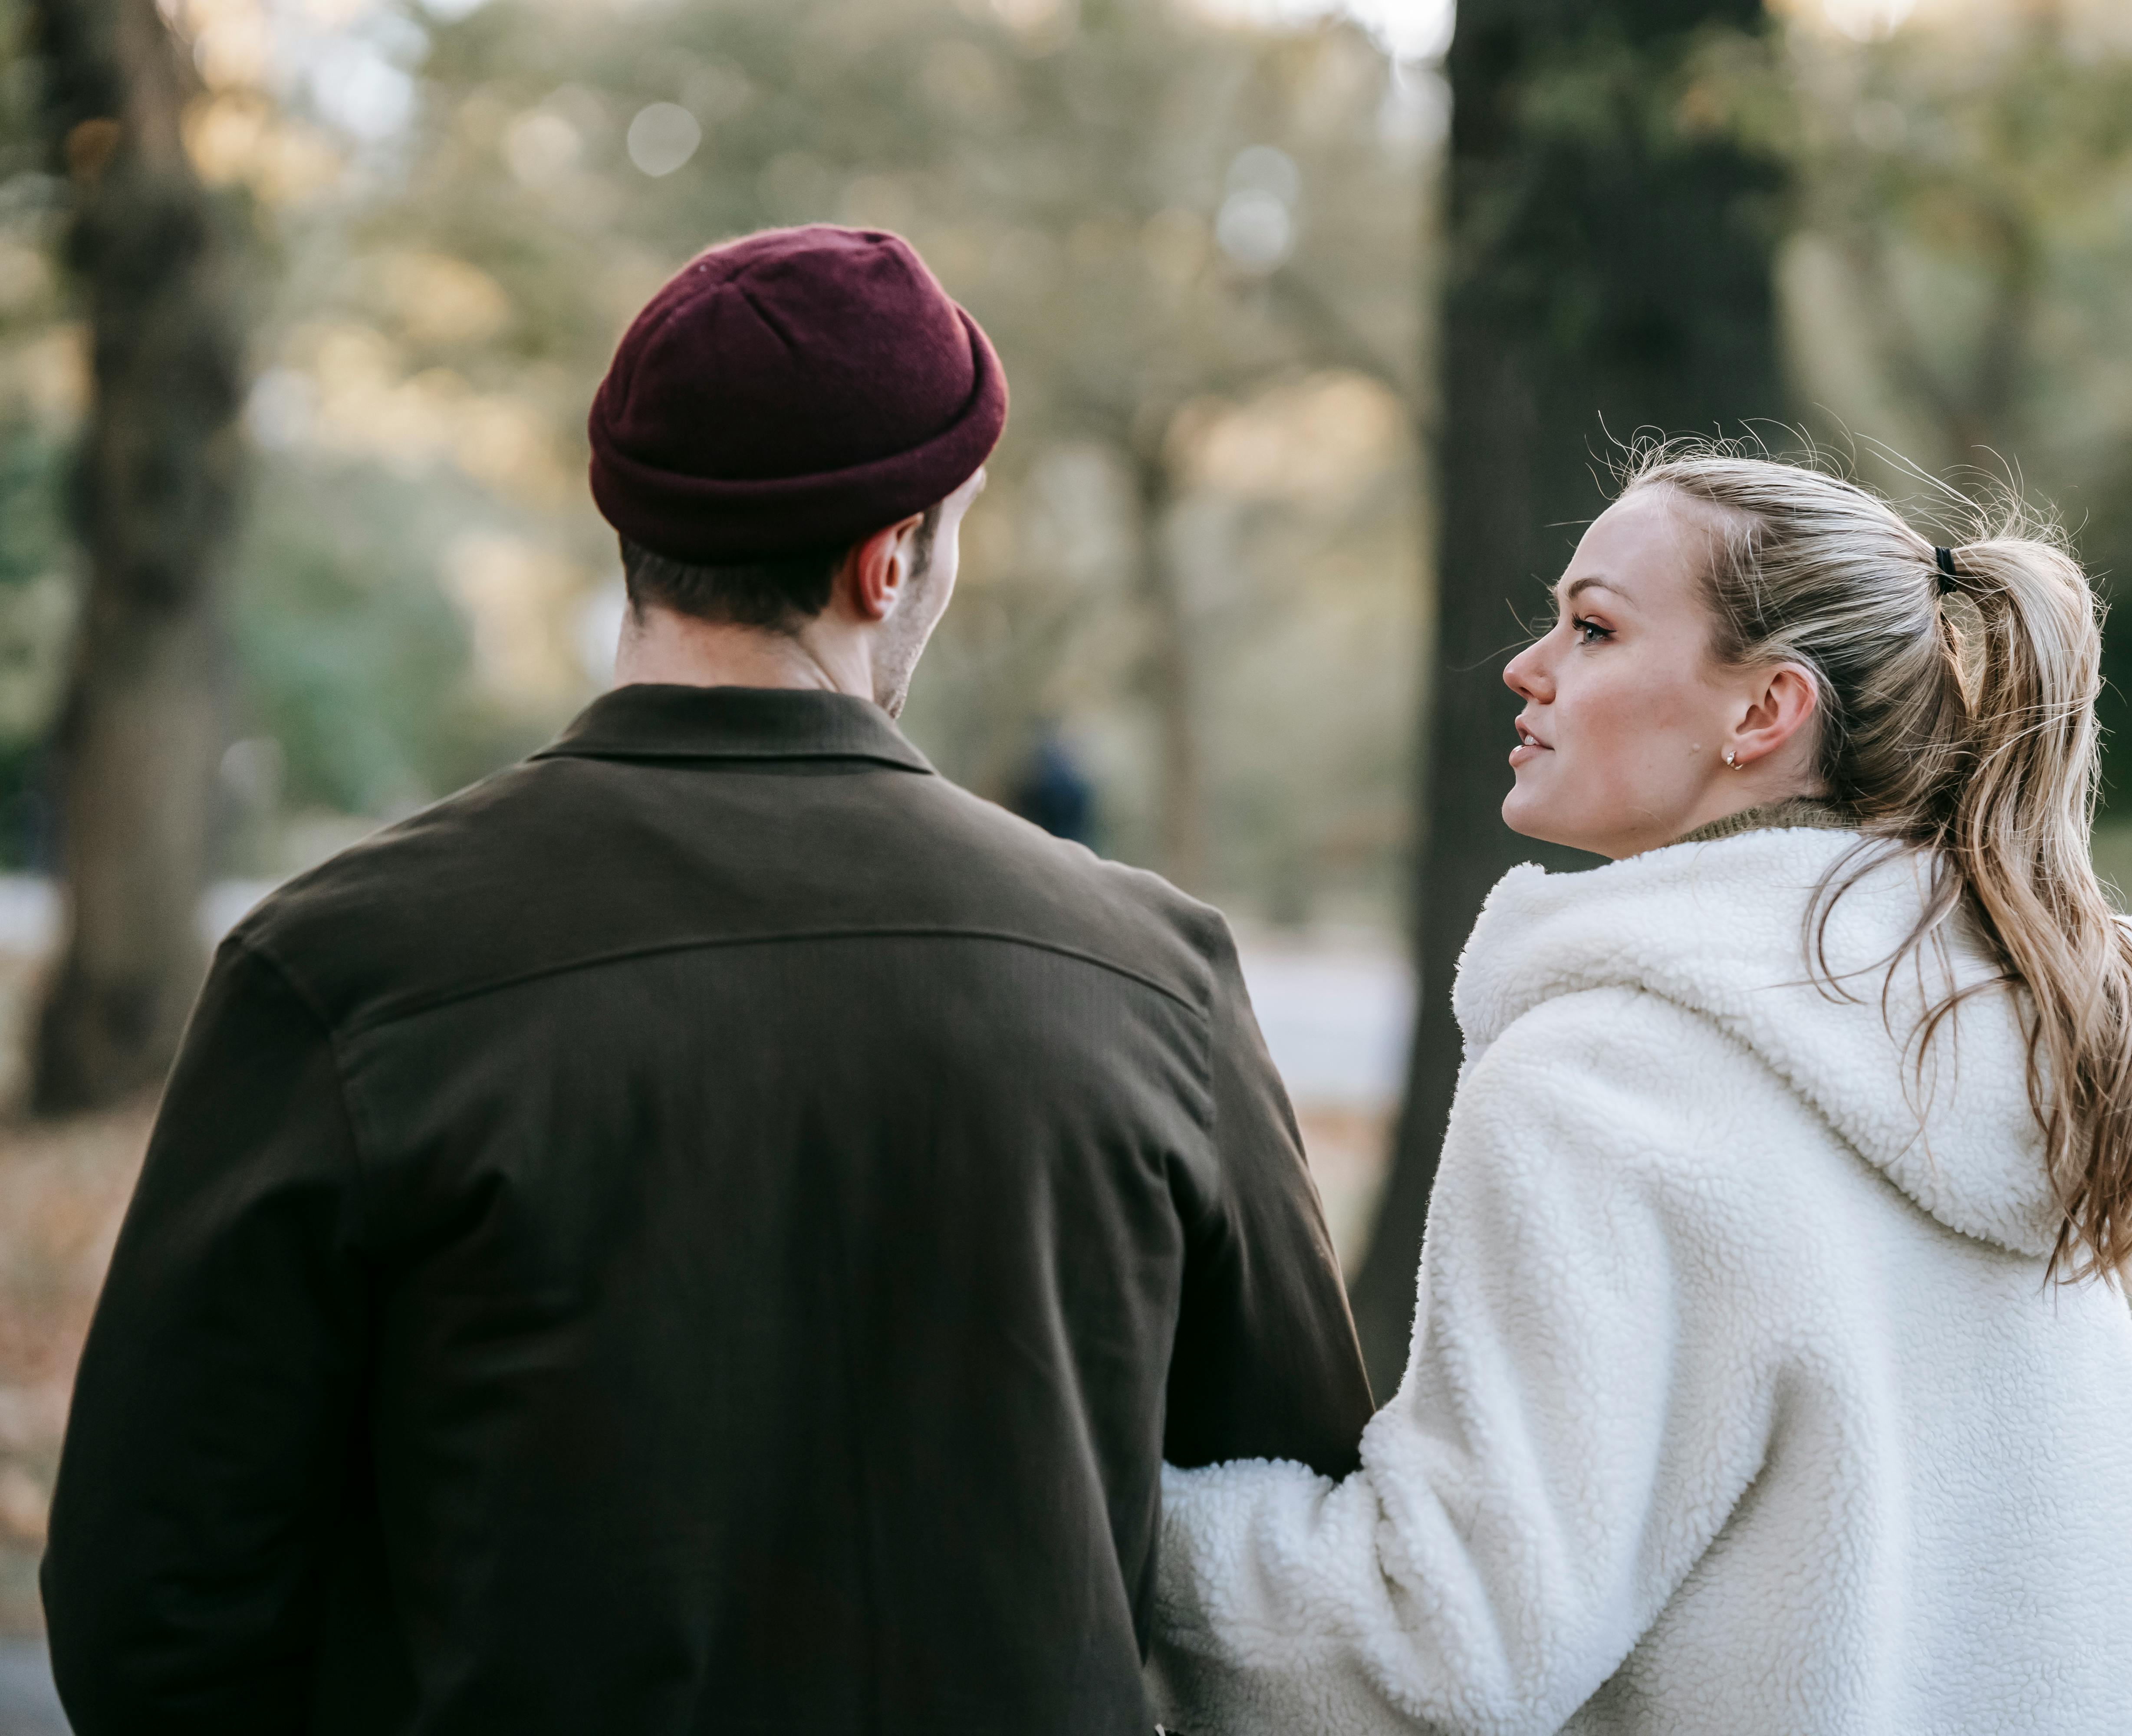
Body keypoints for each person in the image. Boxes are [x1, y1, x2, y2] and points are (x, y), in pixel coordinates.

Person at [42, 226, 1372, 1734]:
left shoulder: (336, 969)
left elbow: (154, 1609)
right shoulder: (1157, 986)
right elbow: (1296, 1556)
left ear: (637, 526)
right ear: (892, 560)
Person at [1148, 444, 2132, 1735]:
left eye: (1591, 628)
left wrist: (1121, 1515)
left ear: (1763, 711)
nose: (1525, 671)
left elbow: (1431, 1653)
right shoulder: (2032, 1053)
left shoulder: (1608, 1084)